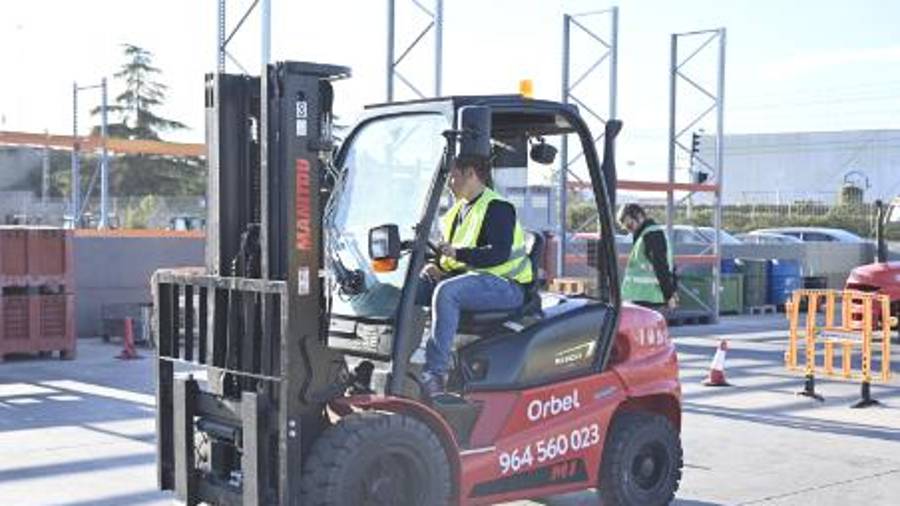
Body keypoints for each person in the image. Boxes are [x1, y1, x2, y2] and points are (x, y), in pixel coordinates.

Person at [415, 155, 533, 396]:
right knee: (412, 289)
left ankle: (435, 373)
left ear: (471, 174)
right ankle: (394, 359)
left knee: (447, 293)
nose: (449, 182)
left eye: (453, 176)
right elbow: (452, 254)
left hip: (506, 287)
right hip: (474, 280)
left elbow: (498, 255)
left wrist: (458, 254)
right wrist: (437, 267)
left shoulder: (498, 208)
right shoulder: (457, 211)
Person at [618, 203, 678, 311]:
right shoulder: (644, 234)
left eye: (630, 225)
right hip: (643, 298)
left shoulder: (651, 235)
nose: (630, 231)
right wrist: (672, 291)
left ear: (640, 216)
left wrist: (669, 295)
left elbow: (661, 266)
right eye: (627, 228)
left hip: (649, 299)